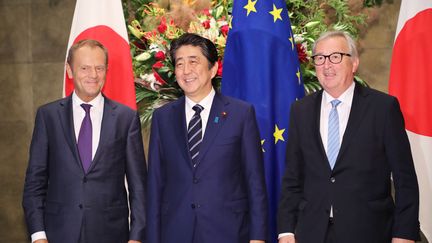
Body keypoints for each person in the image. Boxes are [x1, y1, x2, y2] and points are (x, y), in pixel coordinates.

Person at [277, 31, 420, 243]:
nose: (327, 65)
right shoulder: (301, 110)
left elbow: (405, 178)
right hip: (311, 233)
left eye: (335, 56)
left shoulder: (383, 108)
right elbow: (293, 178)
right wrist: (286, 230)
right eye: (320, 58)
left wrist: (404, 234)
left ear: (354, 63)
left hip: (369, 232)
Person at [146, 33, 268, 243]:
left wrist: (258, 237)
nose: (186, 71)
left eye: (194, 62)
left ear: (213, 69)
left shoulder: (241, 114)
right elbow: (155, 184)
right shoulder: (162, 118)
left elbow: (254, 181)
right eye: (180, 64)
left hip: (228, 231)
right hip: (175, 232)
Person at [22, 39, 147, 243]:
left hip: (111, 234)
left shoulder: (126, 118)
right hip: (57, 235)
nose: (93, 75)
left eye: (99, 68)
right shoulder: (48, 116)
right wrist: (38, 236)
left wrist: (137, 237)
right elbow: (35, 183)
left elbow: (139, 186)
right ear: (69, 70)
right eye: (85, 68)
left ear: (106, 70)